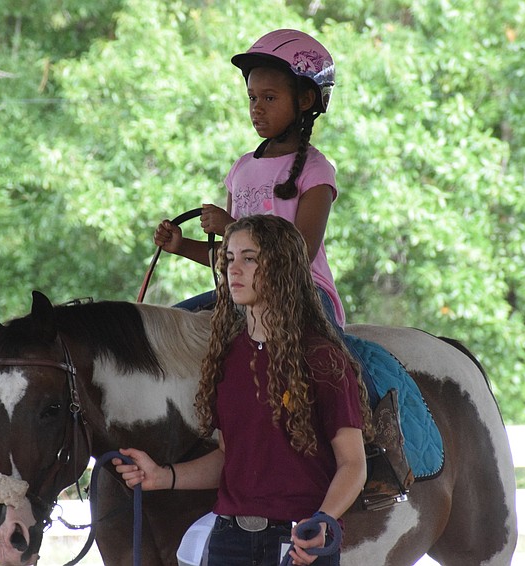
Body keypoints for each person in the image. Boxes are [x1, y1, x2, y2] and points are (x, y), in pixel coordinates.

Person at [115, 215, 373, 566]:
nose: (234, 269)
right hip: (229, 539)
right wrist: (163, 476)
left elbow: (353, 464)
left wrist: (323, 520)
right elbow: (230, 457)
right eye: (229, 258)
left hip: (300, 541)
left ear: (281, 267)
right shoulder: (227, 355)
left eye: (249, 258)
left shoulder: (321, 358)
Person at [155, 29, 345, 326]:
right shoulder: (242, 168)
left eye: (269, 97)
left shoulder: (316, 170)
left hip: (303, 294)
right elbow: (234, 258)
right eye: (252, 97)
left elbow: (300, 255)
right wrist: (181, 246)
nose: (257, 108)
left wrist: (231, 227)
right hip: (243, 292)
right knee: (166, 327)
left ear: (306, 99)